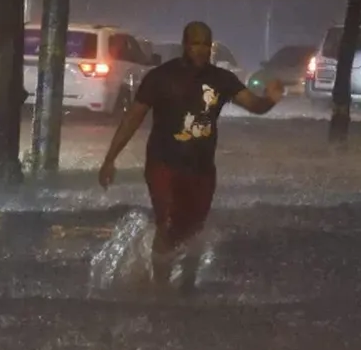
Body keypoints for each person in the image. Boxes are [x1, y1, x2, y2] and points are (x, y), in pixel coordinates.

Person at [98, 21, 284, 292]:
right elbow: (132, 119)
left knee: (194, 229)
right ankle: (160, 288)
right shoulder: (160, 78)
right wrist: (110, 159)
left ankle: (187, 286)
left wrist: (270, 99)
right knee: (167, 223)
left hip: (201, 169)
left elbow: (254, 105)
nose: (201, 50)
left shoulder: (221, 79)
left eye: (206, 45)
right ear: (185, 44)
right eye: (196, 44)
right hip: (163, 163)